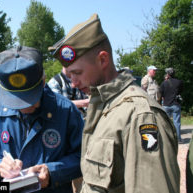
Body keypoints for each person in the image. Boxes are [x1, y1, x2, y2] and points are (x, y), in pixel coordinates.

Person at [49, 14, 180, 193]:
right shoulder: (103, 106)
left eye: (77, 73)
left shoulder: (140, 115)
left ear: (103, 60)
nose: (73, 83)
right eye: (69, 75)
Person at [0, 46, 84, 192]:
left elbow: (84, 156)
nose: (22, 107)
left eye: (29, 98)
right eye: (14, 100)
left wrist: (53, 171)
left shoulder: (65, 110)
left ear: (43, 80)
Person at [160, 67, 183, 143]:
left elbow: (161, 94)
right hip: (175, 104)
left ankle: (167, 140)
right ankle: (178, 139)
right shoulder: (179, 82)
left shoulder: (164, 83)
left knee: (166, 123)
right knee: (177, 122)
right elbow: (180, 91)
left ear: (168, 74)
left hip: (166, 104)